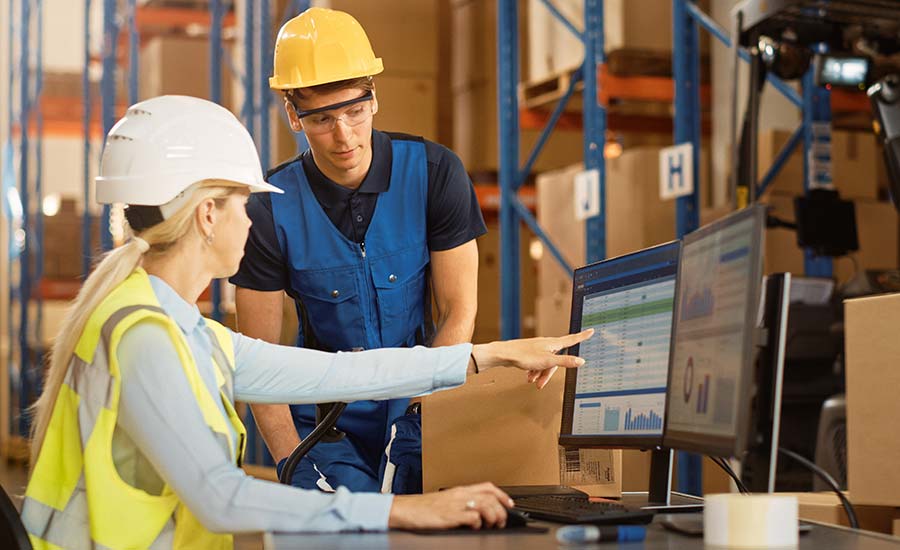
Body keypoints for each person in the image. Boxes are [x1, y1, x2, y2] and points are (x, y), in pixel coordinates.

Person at [21, 95, 592, 548]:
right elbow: (221, 498)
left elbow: (332, 375)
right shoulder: (143, 337)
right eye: (246, 204)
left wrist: (487, 355)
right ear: (207, 215)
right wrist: (405, 509)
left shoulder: (179, 329)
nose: (254, 221)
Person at [229, 7, 488, 493]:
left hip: (418, 406)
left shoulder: (435, 173)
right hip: (324, 425)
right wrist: (290, 459)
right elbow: (256, 359)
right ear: (292, 115)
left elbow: (459, 309)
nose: (344, 135)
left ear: (374, 97)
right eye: (323, 119)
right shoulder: (268, 210)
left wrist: (422, 409)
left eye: (354, 111)